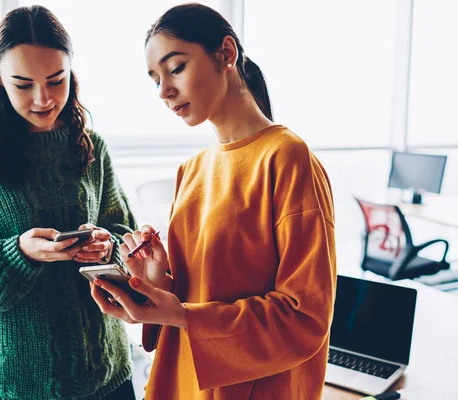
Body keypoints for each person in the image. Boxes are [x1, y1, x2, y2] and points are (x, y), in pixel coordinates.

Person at [89, 3, 337, 399]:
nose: (164, 90)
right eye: (155, 79)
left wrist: (182, 313)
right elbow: (198, 293)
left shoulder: (288, 158)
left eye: (176, 68)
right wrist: (154, 281)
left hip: (254, 389)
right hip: (184, 379)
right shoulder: (193, 168)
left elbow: (304, 316)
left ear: (226, 53)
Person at [0, 6, 137, 400]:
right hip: (16, 384)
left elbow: (127, 237)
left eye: (57, 80)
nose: (43, 99)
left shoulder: (90, 146)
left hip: (107, 372)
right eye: (23, 84)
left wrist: (108, 244)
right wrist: (19, 253)